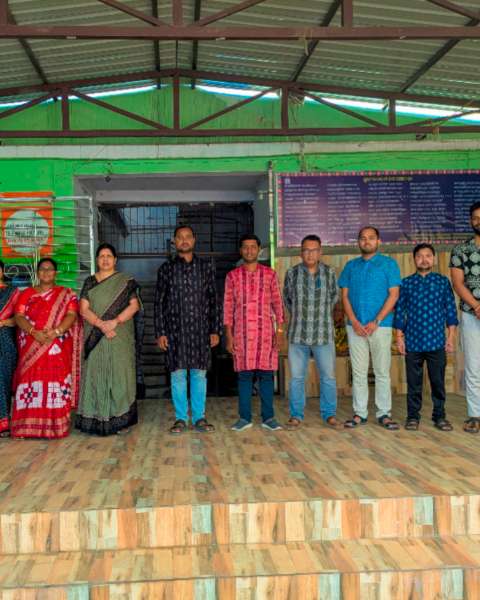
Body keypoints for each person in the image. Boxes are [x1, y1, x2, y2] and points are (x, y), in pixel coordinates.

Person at [154, 225, 221, 434]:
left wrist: (215, 329)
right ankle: (181, 418)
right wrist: (160, 332)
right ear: (174, 241)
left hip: (201, 331)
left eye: (188, 237)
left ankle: (200, 417)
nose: (184, 240)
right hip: (175, 331)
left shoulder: (205, 267)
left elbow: (214, 300)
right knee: (178, 376)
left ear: (194, 240)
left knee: (199, 375)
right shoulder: (166, 269)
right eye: (180, 237)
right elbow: (159, 303)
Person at [338, 226, 401, 430]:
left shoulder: (389, 264)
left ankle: (384, 413)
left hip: (381, 326)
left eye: (371, 238)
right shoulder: (350, 266)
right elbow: (344, 296)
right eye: (363, 238)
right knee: (359, 373)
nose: (367, 241)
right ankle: (360, 413)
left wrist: (377, 321)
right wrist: (354, 321)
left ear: (378, 241)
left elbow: (394, 294)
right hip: (355, 327)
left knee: (382, 372)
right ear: (358, 242)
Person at [76, 243, 140, 436]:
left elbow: (134, 306)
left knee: (120, 375)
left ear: (115, 260)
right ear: (97, 260)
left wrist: (115, 322)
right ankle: (95, 418)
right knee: (96, 375)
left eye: (109, 256)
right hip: (96, 335)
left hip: (119, 335)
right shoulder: (90, 281)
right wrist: (102, 325)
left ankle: (121, 419)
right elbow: (83, 309)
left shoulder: (125, 281)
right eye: (102, 256)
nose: (105, 259)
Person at [11, 258, 80, 439]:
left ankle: (55, 427)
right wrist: (33, 332)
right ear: (37, 272)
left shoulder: (66, 293)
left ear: (55, 273)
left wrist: (56, 331)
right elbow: (19, 316)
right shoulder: (26, 293)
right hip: (31, 346)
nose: (46, 272)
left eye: (50, 269)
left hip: (56, 346)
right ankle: (25, 427)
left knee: (55, 384)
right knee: (29, 381)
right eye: (42, 269)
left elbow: (72, 314)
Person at [224, 234, 285, 431]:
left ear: (259, 250)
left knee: (267, 377)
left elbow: (278, 304)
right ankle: (244, 418)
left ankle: (268, 418)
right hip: (242, 336)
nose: (249, 250)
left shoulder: (270, 275)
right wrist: (229, 336)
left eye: (253, 247)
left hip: (266, 335)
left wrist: (280, 331)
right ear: (241, 251)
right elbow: (228, 308)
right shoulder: (232, 276)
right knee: (244, 377)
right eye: (245, 247)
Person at [394, 243, 458, 431]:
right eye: (420, 256)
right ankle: (413, 416)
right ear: (414, 259)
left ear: (433, 259)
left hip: (437, 342)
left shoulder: (442, 281)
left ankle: (440, 416)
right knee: (414, 384)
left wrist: (451, 337)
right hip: (413, 342)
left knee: (438, 383)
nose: (424, 259)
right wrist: (399, 337)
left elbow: (450, 310)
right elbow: (400, 311)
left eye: (428, 256)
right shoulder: (406, 283)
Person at [283, 235, 340, 430]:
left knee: (328, 377)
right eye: (306, 250)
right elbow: (287, 299)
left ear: (320, 252)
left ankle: (329, 414)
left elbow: (334, 297)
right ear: (301, 252)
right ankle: (296, 415)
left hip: (323, 334)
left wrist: (319, 315)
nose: (310, 254)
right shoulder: (292, 273)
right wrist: (302, 315)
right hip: (298, 334)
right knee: (297, 378)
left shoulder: (329, 273)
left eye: (314, 250)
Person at [450, 200, 480, 433]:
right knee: (473, 366)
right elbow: (458, 283)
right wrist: (477, 306)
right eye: (475, 218)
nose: (479, 221)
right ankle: (475, 415)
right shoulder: (460, 250)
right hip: (471, 315)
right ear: (471, 221)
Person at [0, 260, 20, 437]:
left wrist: (3, 322)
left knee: (3, 380)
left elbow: (19, 319)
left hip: (5, 342)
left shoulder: (12, 292)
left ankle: (3, 422)